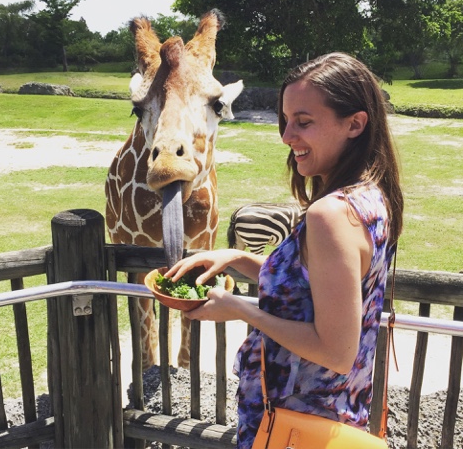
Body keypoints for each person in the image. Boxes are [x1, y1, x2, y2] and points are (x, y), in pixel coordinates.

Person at [165, 52, 404, 449]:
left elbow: (336, 351)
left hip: (294, 427)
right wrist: (238, 259)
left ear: (355, 124)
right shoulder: (372, 198)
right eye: (286, 119)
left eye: (304, 122)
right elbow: (317, 287)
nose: (287, 135)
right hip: (334, 417)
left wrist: (241, 309)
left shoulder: (331, 214)